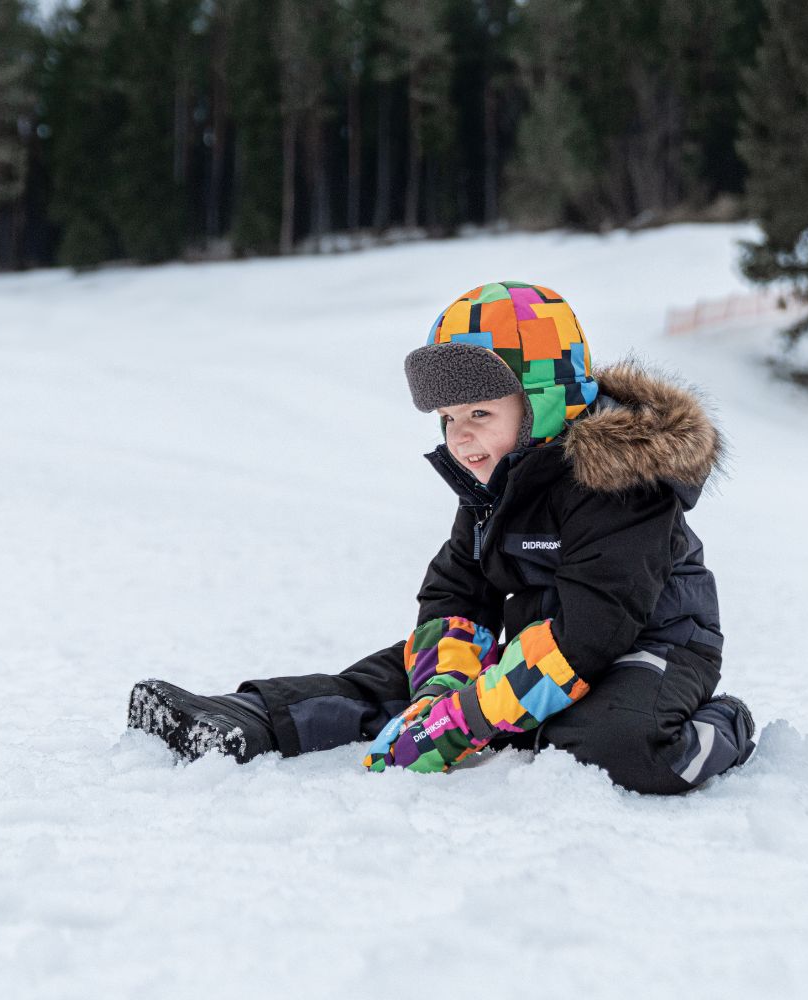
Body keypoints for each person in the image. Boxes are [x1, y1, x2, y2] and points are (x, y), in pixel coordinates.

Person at [127, 281, 755, 794]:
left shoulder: (620, 485)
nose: (459, 438)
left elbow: (594, 631)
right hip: (548, 642)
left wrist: (467, 722)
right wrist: (443, 690)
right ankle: (253, 720)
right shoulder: (496, 481)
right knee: (410, 689)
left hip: (651, 647)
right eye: (450, 419)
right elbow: (457, 591)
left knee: (614, 746)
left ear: (541, 400)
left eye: (480, 413)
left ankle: (725, 725)